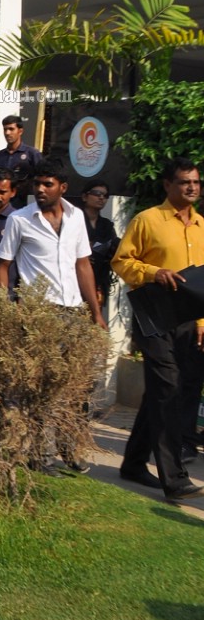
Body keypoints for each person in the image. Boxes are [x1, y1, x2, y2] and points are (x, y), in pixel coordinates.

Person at [0, 159, 106, 474]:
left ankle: (70, 450)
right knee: (43, 386)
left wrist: (95, 312)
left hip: (74, 311)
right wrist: (5, 306)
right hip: (38, 313)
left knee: (74, 387)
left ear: (63, 188)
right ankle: (40, 457)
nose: (40, 190)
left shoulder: (77, 218)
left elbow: (83, 264)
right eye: (37, 184)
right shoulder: (20, 219)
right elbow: (3, 265)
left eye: (47, 184)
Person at [111, 157, 204, 501]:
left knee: (162, 391)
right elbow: (121, 261)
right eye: (184, 182)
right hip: (153, 316)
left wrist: (201, 323)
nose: (191, 187)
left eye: (195, 181)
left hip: (186, 321)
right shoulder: (147, 220)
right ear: (168, 185)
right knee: (169, 389)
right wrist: (154, 273)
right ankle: (174, 479)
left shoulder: (202, 226)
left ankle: (133, 463)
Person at [79, 179, 119, 316]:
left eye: (105, 195)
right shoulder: (74, 220)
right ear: (85, 196)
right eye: (96, 193)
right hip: (75, 277)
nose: (101, 197)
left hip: (99, 277)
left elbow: (114, 247)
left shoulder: (107, 225)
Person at [0, 114, 43, 199]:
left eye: (11, 129)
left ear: (20, 131)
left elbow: (41, 179)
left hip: (25, 201)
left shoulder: (32, 154)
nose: (7, 133)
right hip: (3, 202)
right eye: (5, 129)